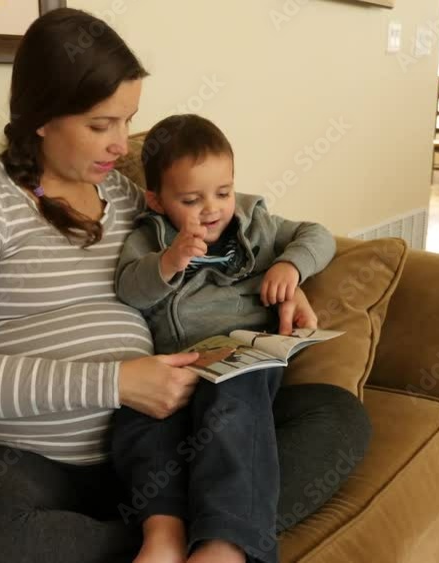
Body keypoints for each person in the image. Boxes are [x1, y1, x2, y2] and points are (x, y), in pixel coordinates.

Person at [0, 8, 371, 563]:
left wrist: (288, 278)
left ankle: (208, 537)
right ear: (40, 117)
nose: (121, 145)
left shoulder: (129, 199)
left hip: (148, 448)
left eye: (127, 120)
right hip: (15, 461)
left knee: (335, 417)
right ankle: (198, 532)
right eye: (100, 124)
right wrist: (116, 383)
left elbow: (224, 232)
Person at [112, 114, 336, 563]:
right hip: (180, 368)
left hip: (243, 360)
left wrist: (290, 266)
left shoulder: (254, 222)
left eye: (223, 192)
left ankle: (224, 543)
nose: (212, 209)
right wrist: (168, 262)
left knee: (231, 402)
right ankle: (163, 535)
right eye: (191, 199)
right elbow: (128, 288)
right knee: (136, 424)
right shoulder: (149, 237)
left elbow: (318, 234)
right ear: (156, 200)